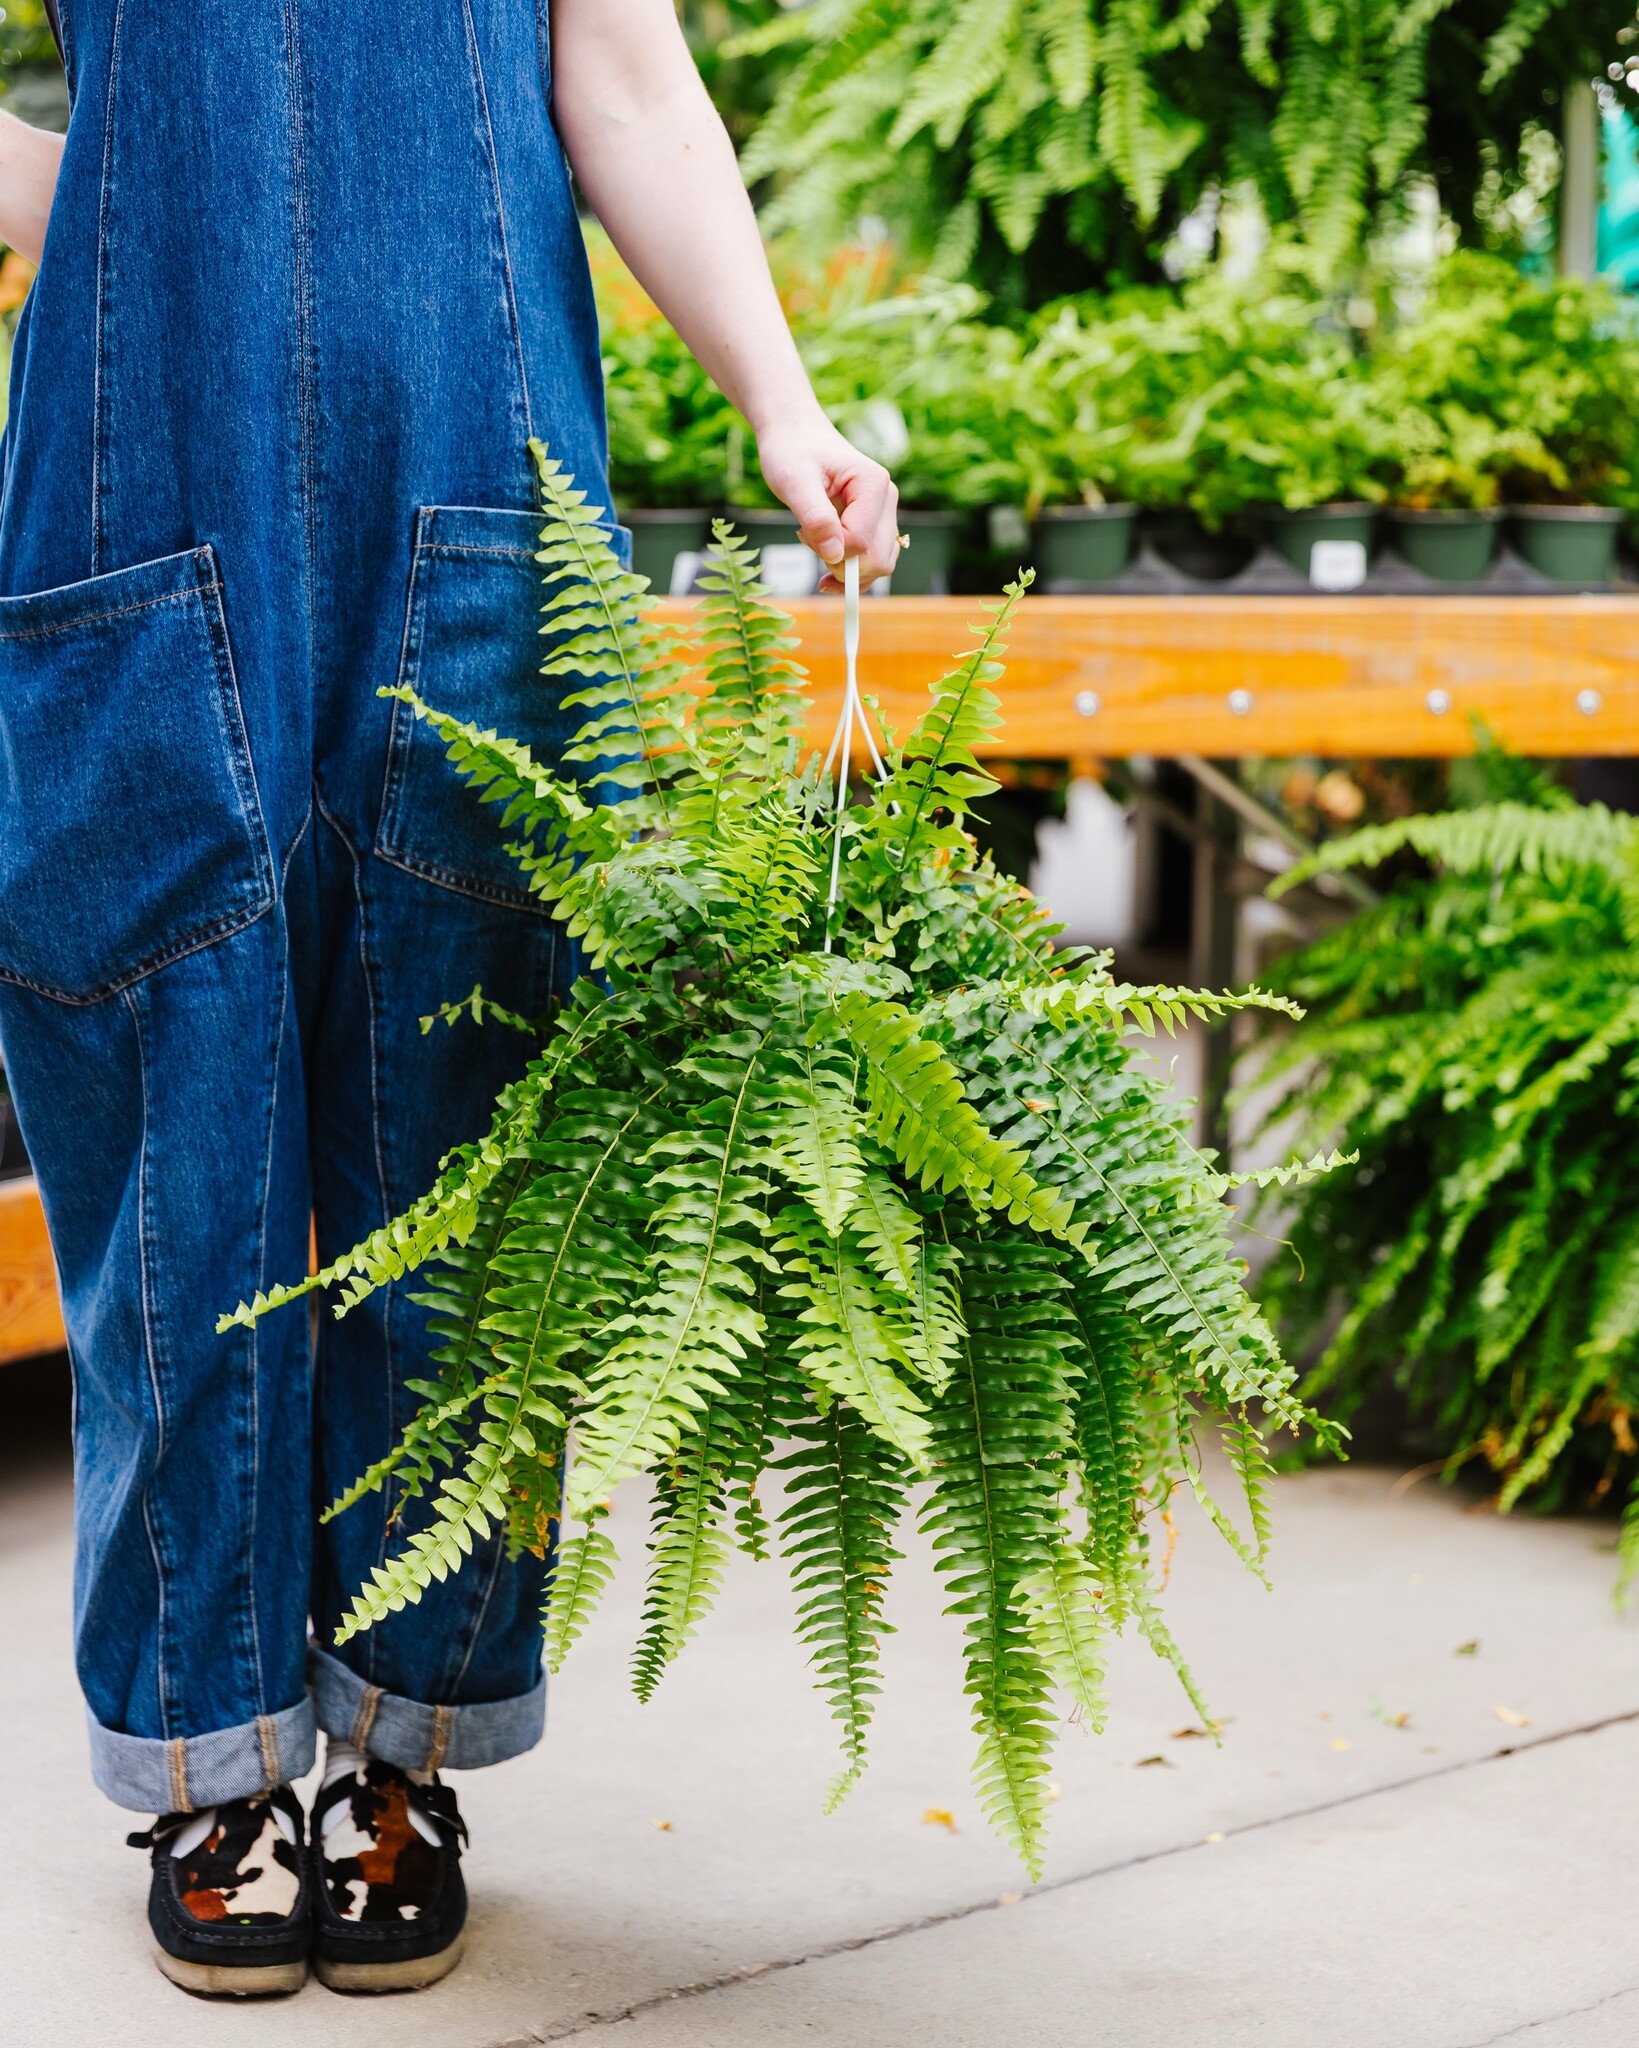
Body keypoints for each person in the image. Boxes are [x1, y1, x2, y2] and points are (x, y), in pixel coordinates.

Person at [0, 0, 898, 2000]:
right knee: (173, 1175)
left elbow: (630, 83)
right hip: (138, 493)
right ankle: (211, 1771)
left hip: (476, 507)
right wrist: (92, 195)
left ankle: (409, 1750)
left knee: (470, 1164)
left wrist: (783, 406)